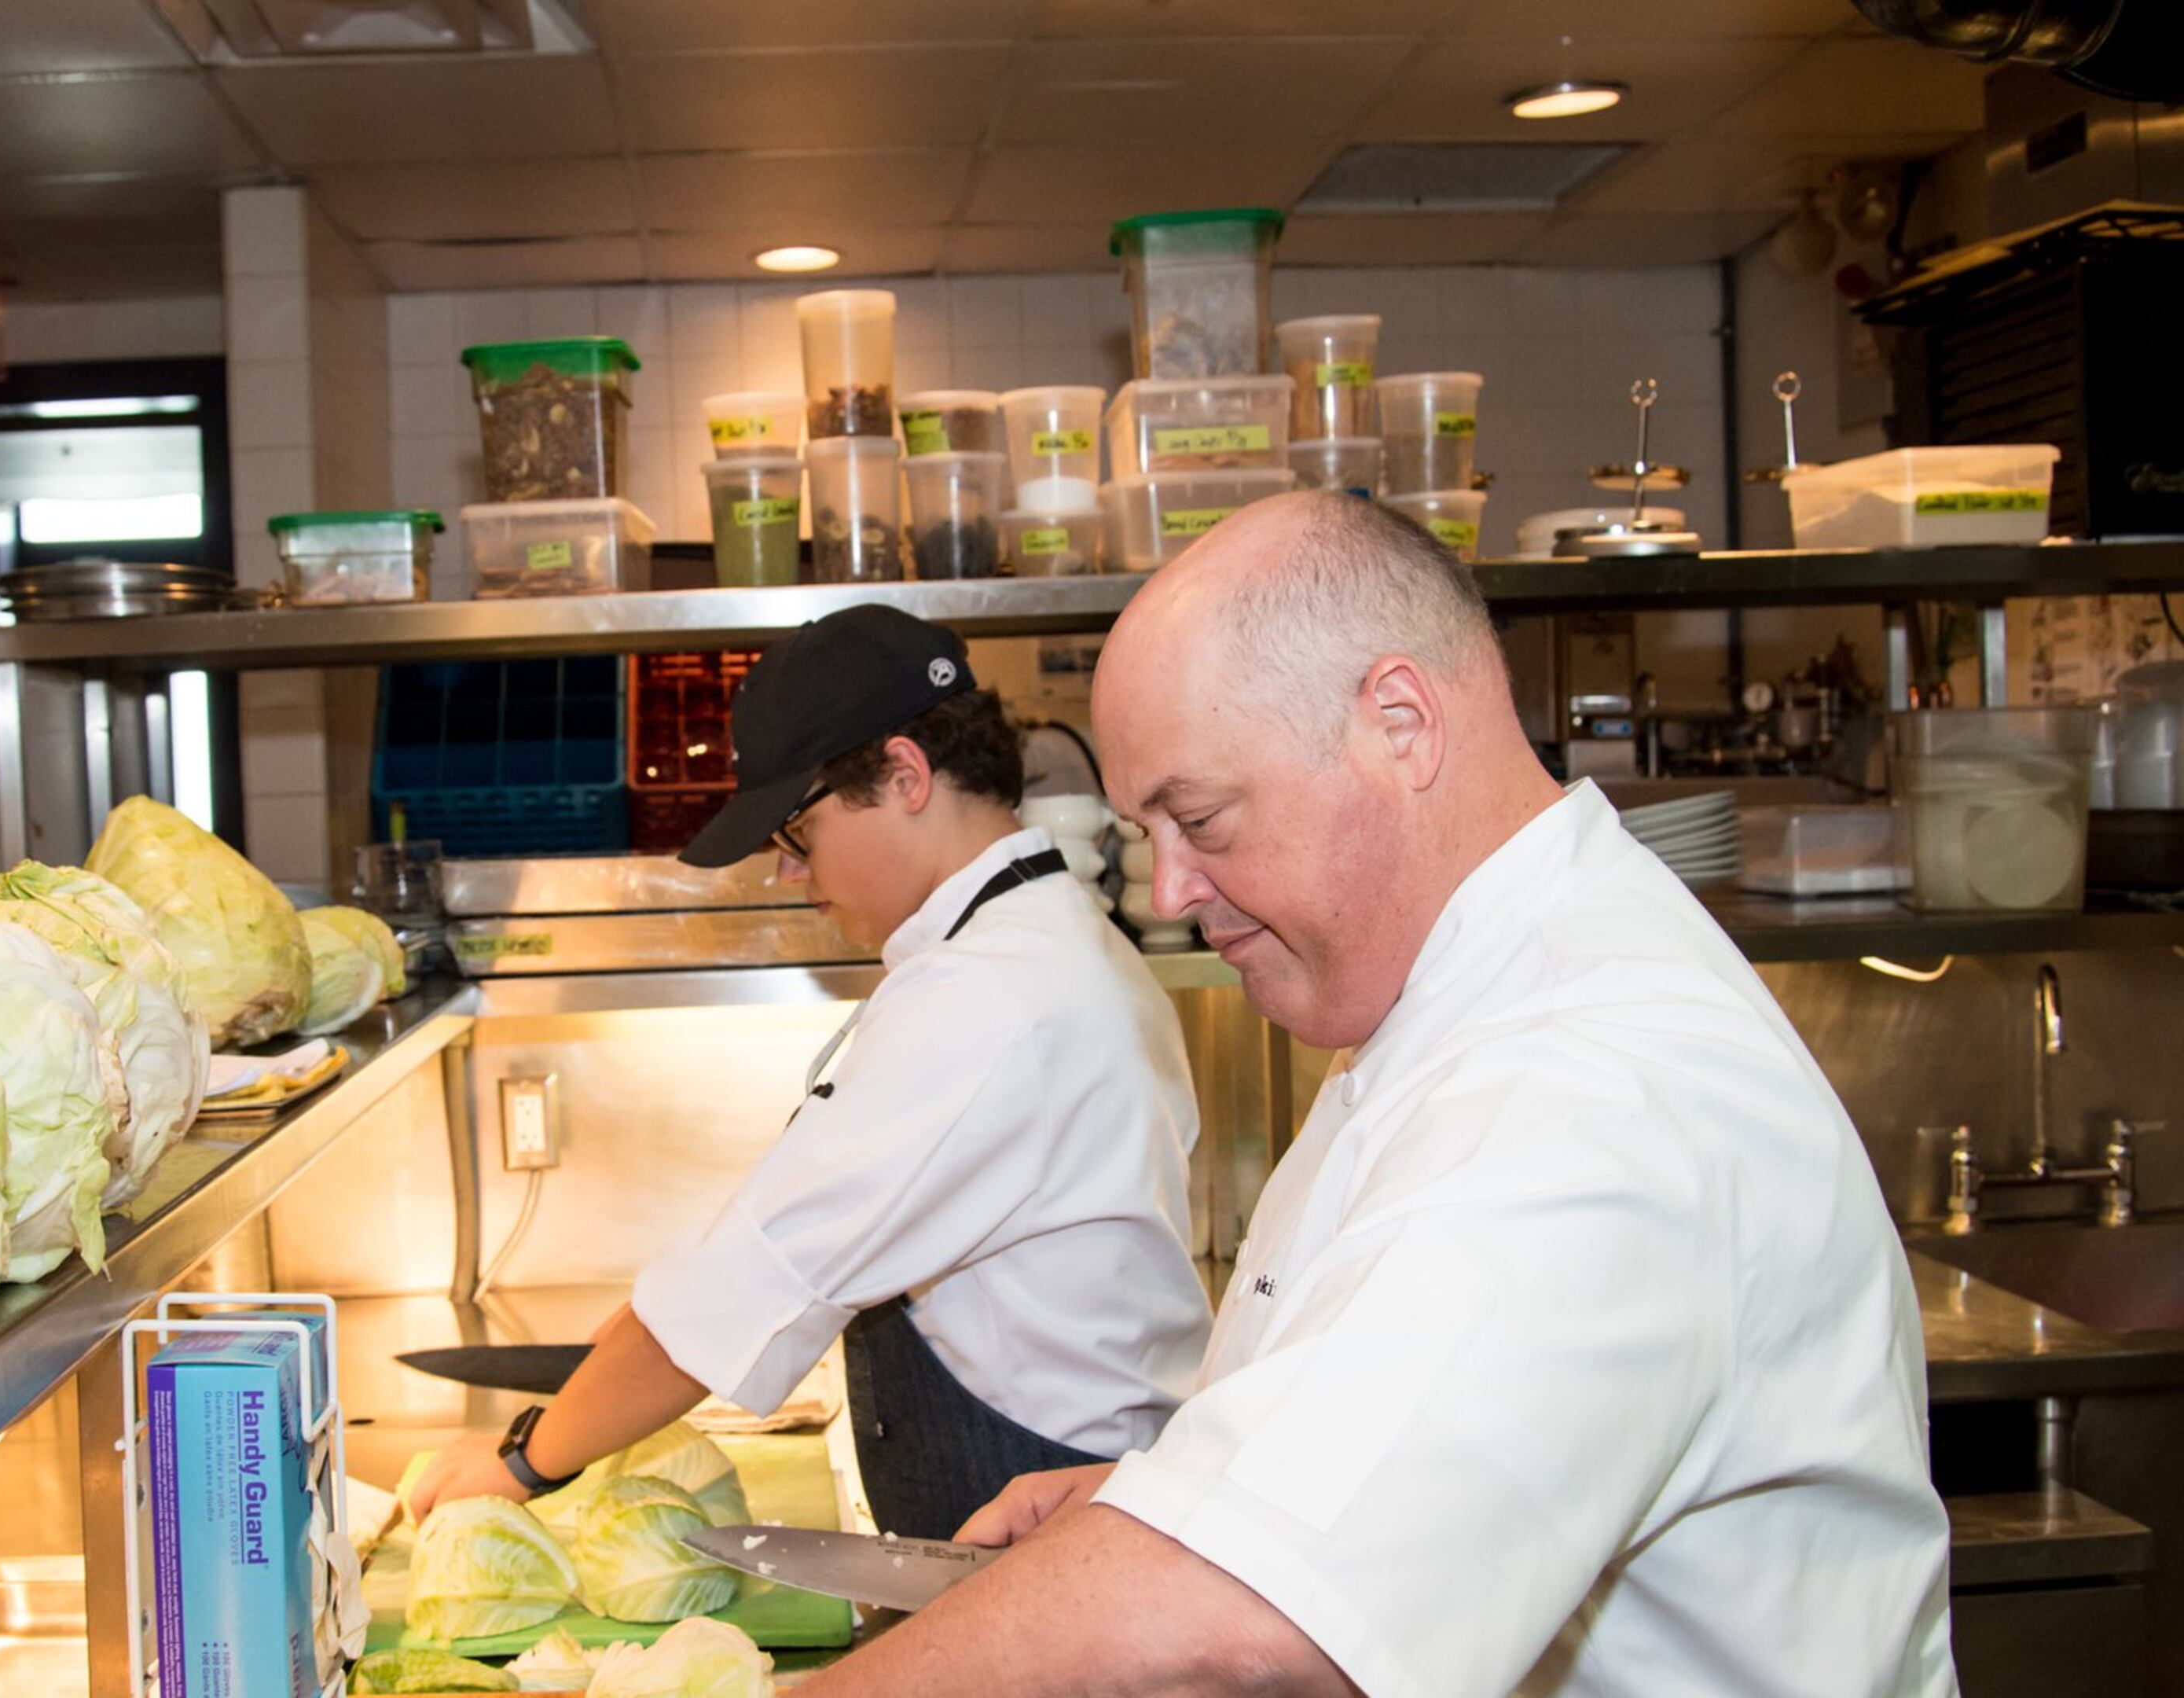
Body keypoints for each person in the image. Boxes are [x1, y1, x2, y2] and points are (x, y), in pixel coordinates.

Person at [799, 493, 1955, 1696]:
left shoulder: (1589, 1083)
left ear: (1401, 725)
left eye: (1200, 818)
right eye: (1150, 829)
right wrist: (1193, 1504)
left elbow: (1253, 1627)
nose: (1173, 886)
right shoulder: (1453, 996)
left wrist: (1209, 1568)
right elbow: (1413, 1450)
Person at [405, 604, 1213, 1540]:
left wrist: (520, 1463)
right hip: (1062, 1481)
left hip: (1040, 1511)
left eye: (796, 832)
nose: (789, 873)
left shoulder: (988, 996)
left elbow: (755, 1282)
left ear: (905, 775)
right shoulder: (1044, 942)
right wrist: (638, 1338)